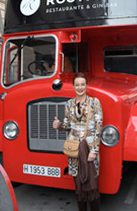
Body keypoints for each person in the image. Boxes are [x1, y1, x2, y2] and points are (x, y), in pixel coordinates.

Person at [53, 73, 103, 211]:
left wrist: (94, 150)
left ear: (86, 86)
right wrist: (59, 126)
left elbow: (99, 126)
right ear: (73, 87)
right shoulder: (69, 104)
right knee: (78, 185)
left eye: (82, 84)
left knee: (91, 184)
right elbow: (68, 125)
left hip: (89, 147)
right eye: (77, 85)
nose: (80, 87)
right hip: (74, 148)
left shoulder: (94, 102)